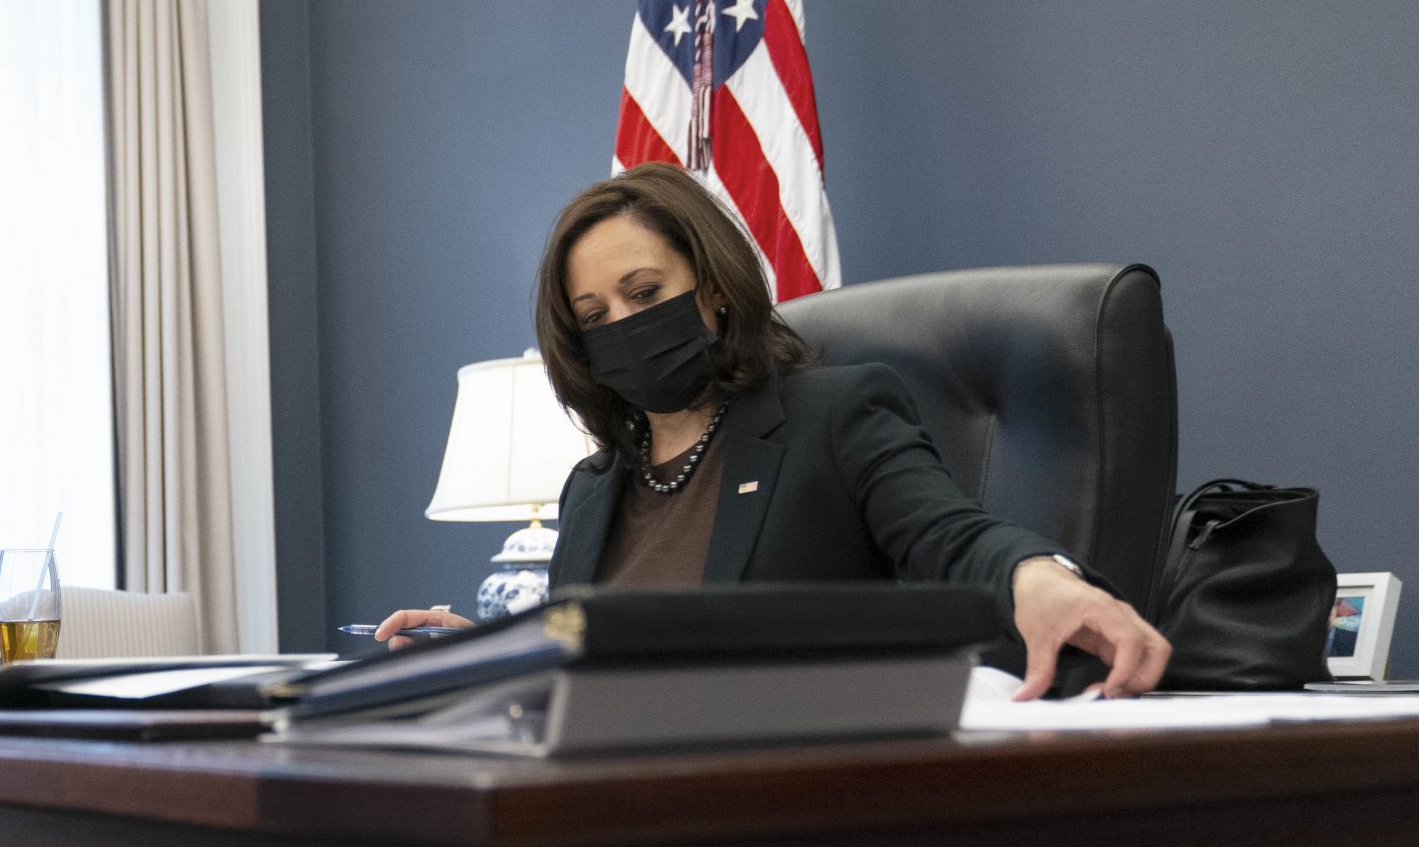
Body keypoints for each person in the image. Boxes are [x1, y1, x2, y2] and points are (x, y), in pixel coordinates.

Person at [376, 164, 1171, 699]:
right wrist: (487, 657)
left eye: (644, 291)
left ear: (714, 291)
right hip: (616, 816)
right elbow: (602, 673)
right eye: (594, 317)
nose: (622, 324)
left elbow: (950, 534)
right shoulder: (592, 491)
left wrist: (1042, 579)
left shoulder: (835, 416)